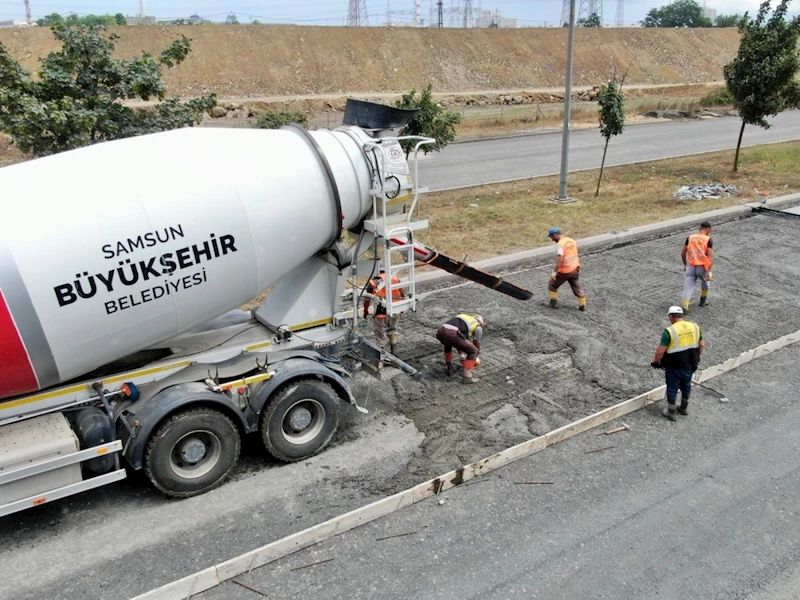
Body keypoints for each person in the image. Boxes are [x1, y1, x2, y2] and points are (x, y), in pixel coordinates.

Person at [651, 306, 704, 421]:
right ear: (682, 316)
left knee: (672, 388)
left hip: (674, 365)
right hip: (690, 364)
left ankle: (671, 412)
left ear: (671, 316)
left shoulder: (669, 331)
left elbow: (660, 351)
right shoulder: (695, 327)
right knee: (686, 385)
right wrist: (696, 357)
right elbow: (701, 345)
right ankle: (683, 408)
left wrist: (656, 361)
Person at [363, 264, 404, 355]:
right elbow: (402, 293)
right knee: (392, 330)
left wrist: (365, 311)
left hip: (381, 314)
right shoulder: (395, 278)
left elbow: (367, 299)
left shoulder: (373, 282)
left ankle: (382, 357)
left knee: (380, 335)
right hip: (394, 310)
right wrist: (401, 307)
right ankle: (394, 352)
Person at [436, 314, 484, 384]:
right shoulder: (477, 326)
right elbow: (476, 344)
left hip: (441, 331)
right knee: (473, 351)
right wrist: (475, 357)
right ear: (480, 322)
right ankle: (467, 377)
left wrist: (461, 354)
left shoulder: (464, 318)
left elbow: (459, 340)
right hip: (452, 333)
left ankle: (450, 367)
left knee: (448, 344)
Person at [547, 227, 586, 311]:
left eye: (551, 237)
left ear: (555, 235)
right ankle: (582, 305)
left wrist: (554, 273)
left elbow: (560, 261)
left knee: (552, 285)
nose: (552, 239)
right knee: (576, 286)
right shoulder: (571, 240)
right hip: (575, 269)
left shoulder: (560, 244)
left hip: (565, 271)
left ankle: (553, 303)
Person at [681, 221, 713, 314]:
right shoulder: (708, 239)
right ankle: (703, 301)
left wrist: (685, 264)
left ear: (700, 228)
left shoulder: (690, 237)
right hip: (702, 266)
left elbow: (682, 253)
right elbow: (710, 256)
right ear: (708, 229)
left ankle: (685, 306)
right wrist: (709, 271)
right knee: (706, 283)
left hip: (690, 265)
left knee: (688, 286)